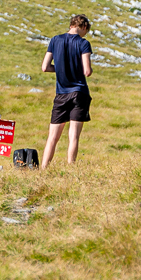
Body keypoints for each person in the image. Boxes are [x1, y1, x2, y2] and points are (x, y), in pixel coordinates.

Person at [41, 14, 93, 168]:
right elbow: (87, 71)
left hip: (61, 94)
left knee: (52, 137)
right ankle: (71, 169)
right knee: (74, 136)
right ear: (83, 27)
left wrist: (61, 68)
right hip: (79, 93)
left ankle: (44, 169)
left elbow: (45, 67)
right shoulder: (83, 44)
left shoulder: (55, 40)